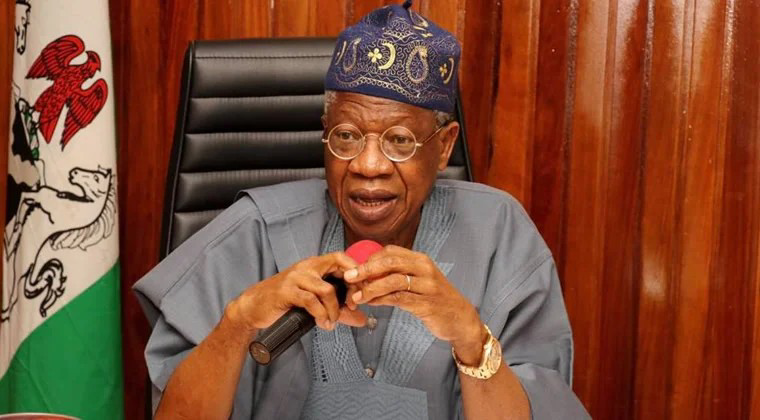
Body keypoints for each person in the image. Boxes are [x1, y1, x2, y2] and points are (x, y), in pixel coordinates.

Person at [134, 2, 590, 419]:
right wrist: (238, 324)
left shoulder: (499, 236)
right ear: (324, 133)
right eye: (347, 136)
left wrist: (472, 339)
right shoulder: (256, 230)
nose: (368, 165)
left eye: (399, 141)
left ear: (444, 146)